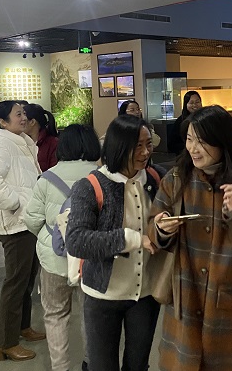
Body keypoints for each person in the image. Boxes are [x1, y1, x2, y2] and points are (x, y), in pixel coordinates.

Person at [149, 105, 232, 371]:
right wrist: (162, 228)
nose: (193, 148)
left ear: (223, 142)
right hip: (187, 297)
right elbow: (153, 226)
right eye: (189, 139)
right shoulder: (177, 178)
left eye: (202, 142)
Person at [66, 115, 166, 371]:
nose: (145, 152)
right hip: (103, 294)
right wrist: (131, 239)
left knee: (138, 364)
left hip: (145, 294)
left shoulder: (156, 179)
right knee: (102, 365)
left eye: (148, 144)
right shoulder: (90, 186)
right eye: (137, 146)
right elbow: (76, 241)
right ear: (119, 147)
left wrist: (164, 230)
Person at [24, 124, 101, 371]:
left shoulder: (47, 178)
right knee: (91, 314)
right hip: (91, 258)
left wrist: (50, 237)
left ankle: (60, 367)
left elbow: (31, 219)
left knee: (55, 315)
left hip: (54, 258)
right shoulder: (102, 176)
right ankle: (90, 362)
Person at [0, 101, 45, 361]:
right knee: (16, 283)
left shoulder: (22, 142)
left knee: (27, 279)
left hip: (27, 220)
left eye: (24, 113)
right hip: (15, 222)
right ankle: (6, 343)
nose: (24, 117)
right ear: (2, 122)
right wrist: (16, 203)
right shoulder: (1, 144)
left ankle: (23, 327)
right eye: (18, 114)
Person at [24, 103, 59, 171]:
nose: (20, 122)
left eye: (23, 119)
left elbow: (54, 170)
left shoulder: (53, 143)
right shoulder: (21, 141)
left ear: (32, 122)